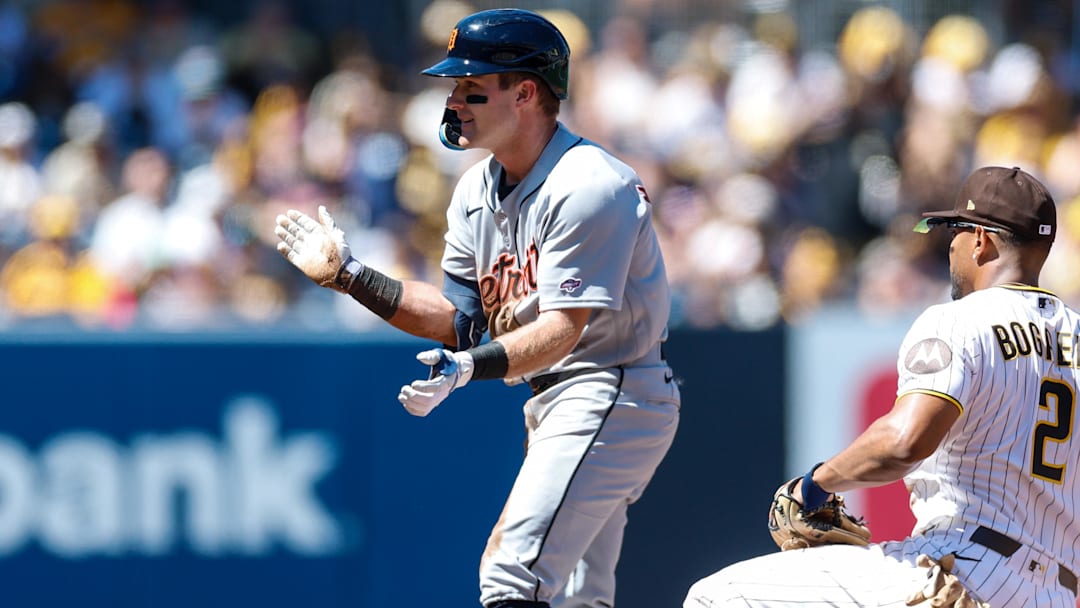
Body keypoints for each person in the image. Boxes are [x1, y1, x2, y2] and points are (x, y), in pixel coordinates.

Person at [274, 9, 680, 608]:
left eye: (472, 87)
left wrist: (468, 367)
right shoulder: (473, 191)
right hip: (559, 397)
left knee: (510, 575)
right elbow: (460, 320)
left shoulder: (589, 183)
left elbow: (563, 330)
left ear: (525, 93)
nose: (454, 101)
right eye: (456, 87)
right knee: (575, 599)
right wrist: (352, 277)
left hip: (611, 389)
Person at [684, 166, 1078, 607]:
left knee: (715, 597)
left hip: (964, 568)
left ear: (980, 241)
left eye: (955, 232)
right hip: (1058, 594)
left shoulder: (961, 320)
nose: (950, 246)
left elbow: (904, 441)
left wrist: (815, 485)